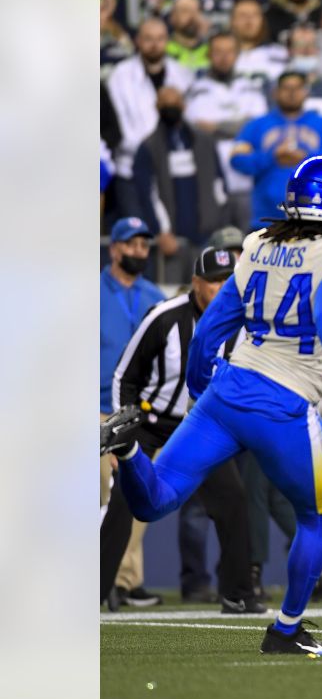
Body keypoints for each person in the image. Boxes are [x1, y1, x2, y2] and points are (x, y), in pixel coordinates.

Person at [101, 156, 322, 656]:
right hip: (285, 406)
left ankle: (127, 454)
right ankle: (286, 629)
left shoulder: (257, 244)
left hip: (227, 393)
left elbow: (213, 324)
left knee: (156, 498)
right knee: (319, 515)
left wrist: (199, 385)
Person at [110, 248, 264, 613]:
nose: (222, 288)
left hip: (198, 429)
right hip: (149, 424)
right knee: (120, 505)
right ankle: (97, 590)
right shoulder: (164, 317)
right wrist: (123, 433)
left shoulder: (242, 325)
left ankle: (238, 594)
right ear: (196, 283)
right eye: (214, 281)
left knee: (233, 501)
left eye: (229, 281)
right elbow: (124, 375)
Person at [100, 218, 167, 610]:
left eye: (144, 246)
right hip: (94, 405)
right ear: (115, 249)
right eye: (132, 245)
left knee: (142, 490)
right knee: (101, 488)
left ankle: (123, 581)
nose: (139, 252)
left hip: (139, 411)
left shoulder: (155, 296)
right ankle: (102, 576)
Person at [131, 86, 231, 283]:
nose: (170, 107)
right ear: (157, 107)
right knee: (173, 292)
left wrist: (217, 224)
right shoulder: (148, 147)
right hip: (172, 241)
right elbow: (146, 194)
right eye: (165, 103)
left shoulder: (204, 141)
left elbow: (220, 186)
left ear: (184, 105)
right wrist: (160, 232)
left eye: (175, 102)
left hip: (206, 236)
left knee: (208, 291)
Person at [231, 71, 322, 228]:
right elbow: (237, 160)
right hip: (267, 218)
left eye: (297, 88)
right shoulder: (257, 125)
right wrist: (272, 157)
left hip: (316, 215)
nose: (291, 94)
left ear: (306, 92)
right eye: (286, 88)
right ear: (275, 93)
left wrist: (308, 158)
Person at [185, 33, 270, 232]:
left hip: (247, 182)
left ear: (237, 55)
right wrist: (240, 125)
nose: (224, 57)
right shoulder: (197, 89)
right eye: (218, 52)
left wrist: (216, 127)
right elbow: (197, 128)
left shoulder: (251, 88)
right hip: (211, 181)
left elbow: (258, 128)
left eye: (229, 52)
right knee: (217, 245)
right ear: (209, 55)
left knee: (251, 244)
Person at [106, 18, 196, 179]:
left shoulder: (183, 74)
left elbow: (189, 119)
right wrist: (150, 149)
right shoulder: (120, 75)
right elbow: (119, 122)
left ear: (167, 41)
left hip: (174, 166)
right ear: (138, 41)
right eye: (148, 39)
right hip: (130, 166)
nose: (154, 45)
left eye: (160, 39)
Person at [230, 0, 290, 87]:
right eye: (243, 15)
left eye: (255, 15)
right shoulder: (219, 54)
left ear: (262, 20)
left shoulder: (281, 53)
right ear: (232, 21)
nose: (249, 21)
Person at [166, 0, 211, 71]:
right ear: (172, 17)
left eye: (196, 11)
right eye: (185, 11)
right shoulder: (162, 50)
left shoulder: (212, 51)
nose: (192, 16)